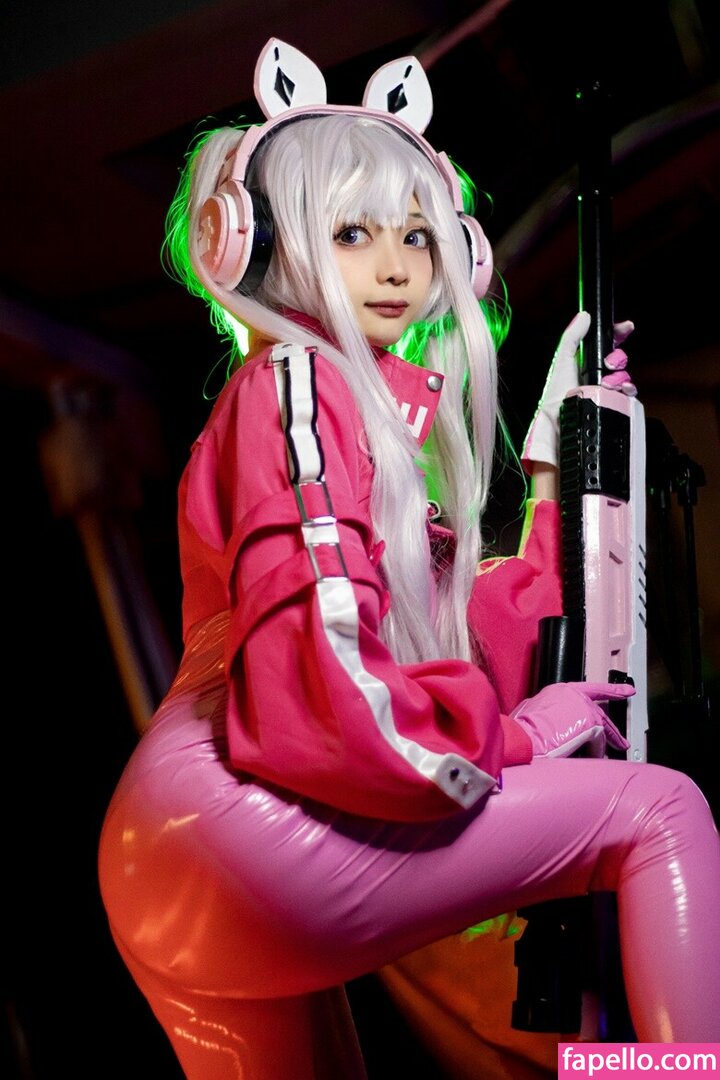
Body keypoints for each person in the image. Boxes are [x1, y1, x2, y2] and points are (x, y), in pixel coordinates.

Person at [98, 38, 720, 1079]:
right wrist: (516, 737)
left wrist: (557, 463)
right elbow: (323, 665)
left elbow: (452, 640)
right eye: (352, 232)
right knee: (661, 811)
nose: (395, 265)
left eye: (418, 235)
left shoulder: (333, 420)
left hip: (181, 865)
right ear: (256, 243)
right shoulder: (297, 387)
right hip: (239, 825)